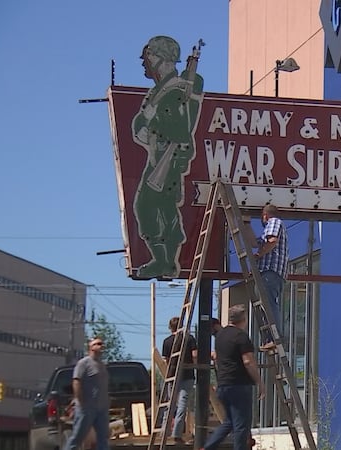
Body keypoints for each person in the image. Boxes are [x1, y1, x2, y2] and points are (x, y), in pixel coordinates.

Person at [131, 35, 204, 279]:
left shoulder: (184, 84)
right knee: (150, 206)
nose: (145, 63)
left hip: (171, 155)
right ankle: (164, 261)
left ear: (160, 57)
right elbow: (138, 126)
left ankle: (166, 261)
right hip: (157, 156)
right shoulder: (157, 91)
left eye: (148, 56)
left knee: (156, 206)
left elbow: (183, 124)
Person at [202, 305, 265, 450]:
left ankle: (208, 447)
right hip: (239, 384)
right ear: (244, 319)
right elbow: (248, 361)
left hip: (223, 384)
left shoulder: (220, 337)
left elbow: (217, 360)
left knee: (229, 422)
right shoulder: (241, 336)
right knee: (241, 426)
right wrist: (259, 382)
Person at [63, 337, 110, 450]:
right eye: (98, 344)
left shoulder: (102, 365)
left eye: (102, 344)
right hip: (86, 408)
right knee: (77, 437)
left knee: (103, 439)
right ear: (91, 347)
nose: (101, 346)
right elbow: (76, 382)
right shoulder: (83, 363)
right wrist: (80, 401)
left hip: (101, 409)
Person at [253, 204, 289, 348]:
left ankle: (275, 337)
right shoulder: (268, 231)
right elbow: (253, 242)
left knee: (268, 303)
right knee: (265, 303)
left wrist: (259, 254)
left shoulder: (274, 222)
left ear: (265, 215)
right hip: (272, 273)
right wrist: (246, 224)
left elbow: (272, 241)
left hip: (270, 271)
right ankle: (271, 337)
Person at [161, 316, 198, 444]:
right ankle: (177, 435)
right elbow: (194, 355)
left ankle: (163, 432)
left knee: (169, 404)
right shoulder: (189, 338)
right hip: (187, 375)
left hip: (172, 376)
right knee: (182, 404)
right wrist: (196, 367)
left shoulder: (166, 341)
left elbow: (166, 360)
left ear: (170, 327)